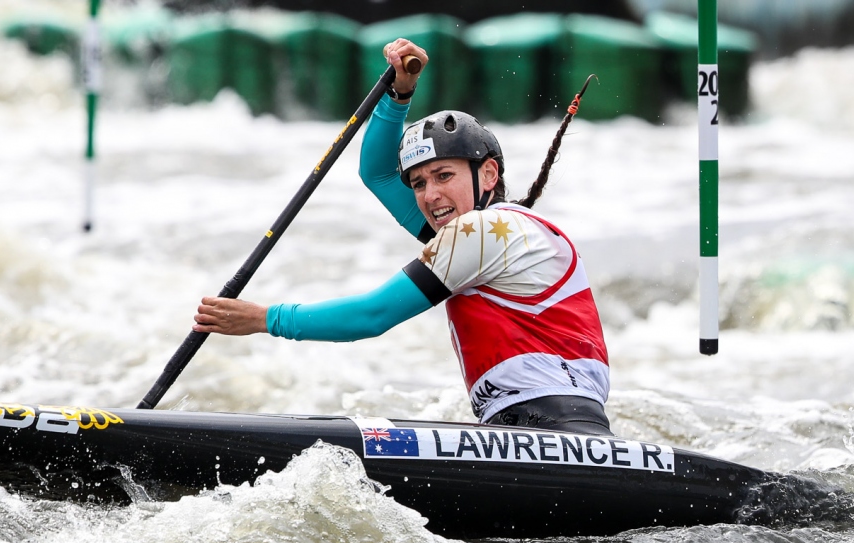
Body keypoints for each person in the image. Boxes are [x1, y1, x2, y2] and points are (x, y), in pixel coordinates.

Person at [193, 39, 612, 435]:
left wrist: (266, 319)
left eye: (444, 176)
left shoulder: (481, 231)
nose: (430, 196)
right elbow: (377, 172)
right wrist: (399, 93)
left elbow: (372, 316)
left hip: (558, 430)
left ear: (488, 174)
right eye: (418, 183)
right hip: (532, 428)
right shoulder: (488, 235)